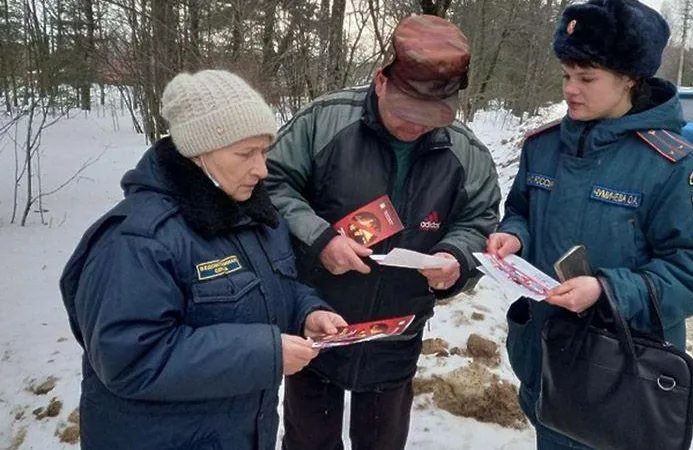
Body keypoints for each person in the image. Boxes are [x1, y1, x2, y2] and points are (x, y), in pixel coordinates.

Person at [59, 69, 346, 450]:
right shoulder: (136, 239)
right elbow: (130, 358)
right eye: (245, 154)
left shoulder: (256, 216)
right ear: (198, 154)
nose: (262, 169)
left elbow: (276, 287)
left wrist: (308, 312)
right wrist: (265, 353)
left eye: (264, 151)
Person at [486, 1, 693, 448]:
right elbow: (520, 208)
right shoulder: (543, 148)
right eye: (566, 74)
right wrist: (514, 234)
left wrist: (607, 291)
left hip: (621, 378)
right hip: (544, 360)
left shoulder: (676, 166)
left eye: (587, 78)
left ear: (630, 79)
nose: (570, 90)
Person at [265, 14, 501, 450]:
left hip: (397, 332)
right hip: (317, 319)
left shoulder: (465, 152)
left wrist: (456, 258)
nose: (415, 126)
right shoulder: (325, 122)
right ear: (381, 81)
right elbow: (270, 185)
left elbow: (481, 222)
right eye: (406, 111)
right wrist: (320, 240)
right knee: (308, 440)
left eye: (430, 117)